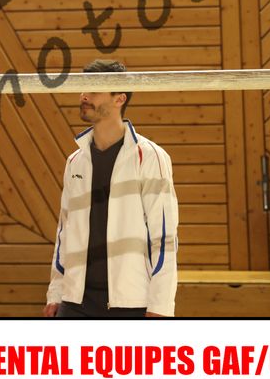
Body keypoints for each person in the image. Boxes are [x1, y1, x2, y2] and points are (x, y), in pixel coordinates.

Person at [44, 59, 179, 318]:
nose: (84, 96)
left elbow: (164, 237)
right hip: (75, 302)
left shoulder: (150, 157)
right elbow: (64, 233)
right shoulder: (75, 161)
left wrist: (160, 306)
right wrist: (56, 292)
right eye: (83, 88)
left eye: (94, 90)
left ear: (119, 98)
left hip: (130, 303)